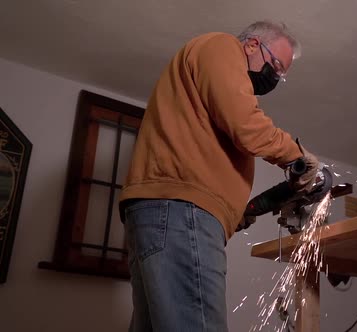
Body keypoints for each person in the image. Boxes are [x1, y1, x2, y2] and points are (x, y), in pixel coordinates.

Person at [118, 20, 319, 332]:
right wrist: (297, 156)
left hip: (167, 212)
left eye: (282, 75)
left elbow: (214, 149)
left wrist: (232, 213)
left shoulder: (202, 95)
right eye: (276, 66)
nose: (276, 78)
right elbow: (246, 126)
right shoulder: (221, 46)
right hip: (181, 210)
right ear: (252, 45)